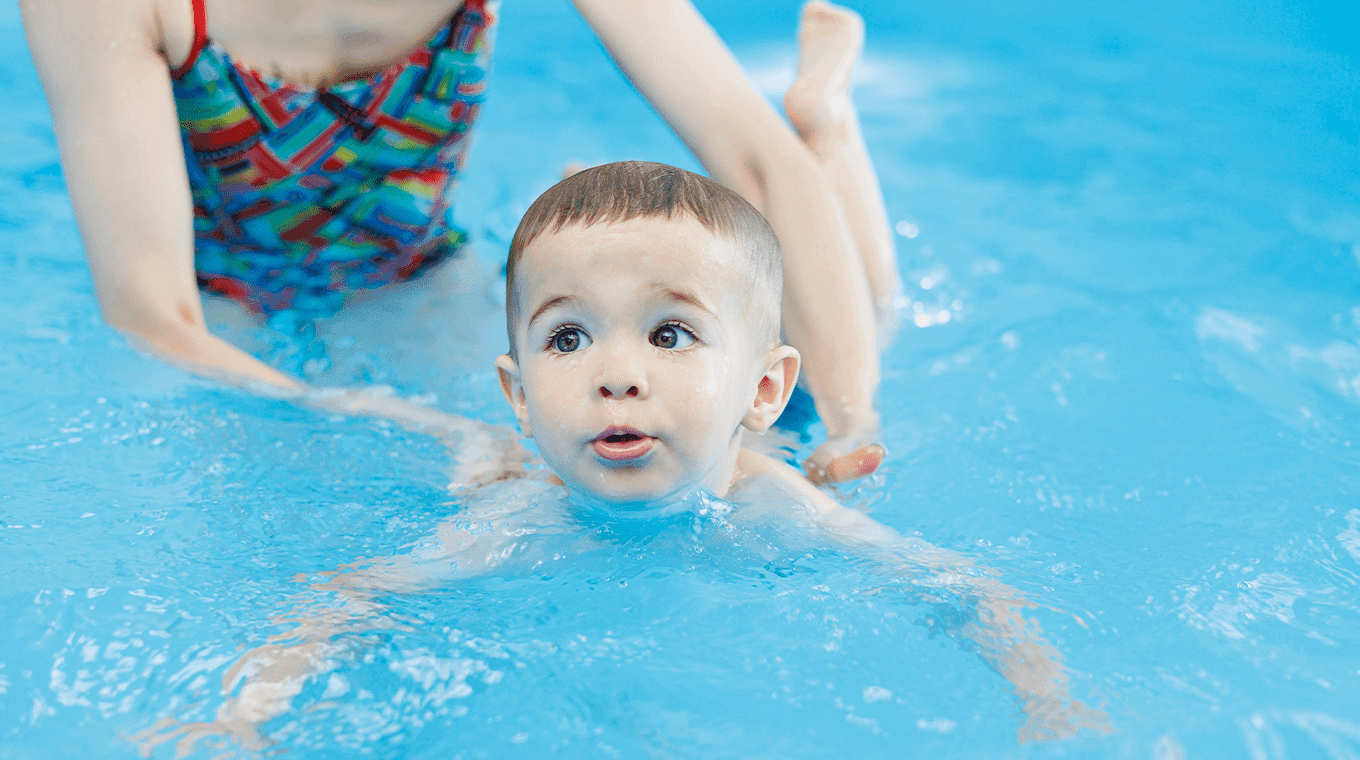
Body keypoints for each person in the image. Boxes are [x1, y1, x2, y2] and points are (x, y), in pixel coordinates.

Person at [140, 165, 1108, 755]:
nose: (615, 376)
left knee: (876, 309)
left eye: (668, 335)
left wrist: (1048, 697)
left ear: (759, 389)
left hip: (799, 425)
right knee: (465, 456)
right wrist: (239, 716)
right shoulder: (515, 515)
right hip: (520, 449)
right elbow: (345, 605)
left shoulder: (781, 502)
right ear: (519, 397)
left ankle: (828, 127)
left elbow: (962, 592)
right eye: (566, 342)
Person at [20, 0, 901, 482]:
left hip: (422, 281)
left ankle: (830, 130)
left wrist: (853, 418)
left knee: (771, 422)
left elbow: (754, 159)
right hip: (219, 324)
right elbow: (151, 313)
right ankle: (833, 130)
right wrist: (410, 423)